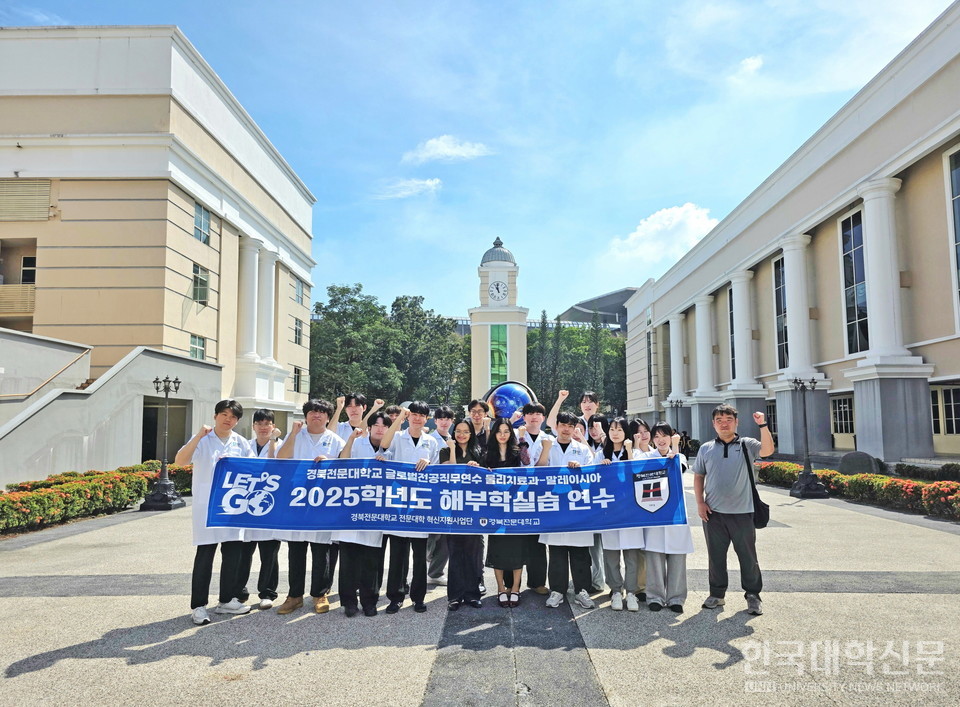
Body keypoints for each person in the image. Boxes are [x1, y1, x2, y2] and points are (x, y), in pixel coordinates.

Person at [175, 399, 254, 626]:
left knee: (233, 555)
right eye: (224, 415)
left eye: (233, 417)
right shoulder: (203, 439)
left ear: (237, 421)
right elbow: (180, 461)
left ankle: (226, 600)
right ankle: (198, 606)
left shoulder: (241, 443)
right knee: (205, 556)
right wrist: (198, 436)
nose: (228, 419)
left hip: (233, 507)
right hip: (208, 508)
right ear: (215, 416)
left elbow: (254, 469)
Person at [694, 404, 774, 616]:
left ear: (736, 422)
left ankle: (753, 595)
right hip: (713, 513)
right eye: (719, 420)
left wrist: (763, 425)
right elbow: (699, 475)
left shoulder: (747, 444)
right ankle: (717, 594)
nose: (724, 424)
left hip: (743, 512)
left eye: (728, 419)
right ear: (713, 424)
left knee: (748, 557)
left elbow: (767, 451)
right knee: (716, 557)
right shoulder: (706, 448)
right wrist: (700, 502)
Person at [274, 399, 345, 615]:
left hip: (322, 501)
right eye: (313, 411)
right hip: (297, 500)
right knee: (296, 549)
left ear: (328, 417)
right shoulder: (296, 435)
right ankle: (294, 595)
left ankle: (319, 593)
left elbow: (345, 467)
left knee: (321, 550)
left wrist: (329, 462)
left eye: (322, 412)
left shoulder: (335, 440)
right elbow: (281, 457)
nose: (317, 415)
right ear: (305, 415)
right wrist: (293, 434)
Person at [379, 402, 440, 614]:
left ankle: (418, 597)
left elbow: (437, 472)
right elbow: (384, 446)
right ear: (408, 416)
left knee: (420, 558)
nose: (417, 418)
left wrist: (428, 463)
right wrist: (399, 418)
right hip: (398, 503)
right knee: (397, 556)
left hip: (420, 505)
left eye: (422, 415)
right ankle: (395, 597)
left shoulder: (431, 442)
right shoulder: (397, 436)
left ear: (426, 419)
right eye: (413, 414)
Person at [538, 411, 596, 610]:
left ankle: (582, 591)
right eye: (563, 425)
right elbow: (537, 472)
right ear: (556, 426)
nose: (566, 429)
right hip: (554, 506)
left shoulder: (582, 450)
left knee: (580, 553)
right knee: (556, 552)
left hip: (577, 508)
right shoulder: (547, 446)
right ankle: (557, 591)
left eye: (571, 426)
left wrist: (580, 469)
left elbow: (593, 476)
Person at [335, 414, 391, 617]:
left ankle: (369, 601)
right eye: (375, 425)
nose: (380, 429)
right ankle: (349, 602)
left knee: (372, 559)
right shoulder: (357, 443)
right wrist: (351, 438)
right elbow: (343, 461)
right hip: (351, 508)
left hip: (376, 510)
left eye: (384, 426)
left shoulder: (391, 450)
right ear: (369, 427)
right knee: (348, 558)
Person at [639, 422, 693, 613]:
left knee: (677, 555)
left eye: (665, 436)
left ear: (672, 437)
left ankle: (676, 598)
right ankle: (655, 596)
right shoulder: (646, 457)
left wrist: (676, 449)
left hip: (675, 513)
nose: (661, 440)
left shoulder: (679, 456)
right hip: (653, 511)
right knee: (654, 555)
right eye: (657, 436)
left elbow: (678, 469)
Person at [235, 408, 283, 610]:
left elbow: (274, 466)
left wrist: (273, 441)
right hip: (245, 507)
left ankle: (267, 592)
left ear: (273, 426)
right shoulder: (243, 445)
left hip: (270, 505)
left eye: (267, 424)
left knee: (269, 553)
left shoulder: (281, 446)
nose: (263, 427)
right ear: (253, 426)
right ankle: (238, 592)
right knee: (242, 553)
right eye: (259, 424)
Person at [595, 417, 643, 612]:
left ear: (626, 433)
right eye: (612, 429)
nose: (615, 433)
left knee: (631, 554)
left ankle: (631, 592)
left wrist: (630, 450)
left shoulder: (636, 452)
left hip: (630, 511)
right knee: (611, 554)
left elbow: (637, 472)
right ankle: (616, 590)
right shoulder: (601, 453)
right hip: (609, 511)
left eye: (620, 430)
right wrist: (601, 467)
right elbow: (592, 477)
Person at [440, 419, 485, 610]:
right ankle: (455, 596)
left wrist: (477, 468)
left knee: (473, 552)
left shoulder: (479, 451)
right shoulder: (445, 451)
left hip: (473, 507)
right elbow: (449, 472)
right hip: (453, 507)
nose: (461, 435)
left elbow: (487, 475)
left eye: (466, 431)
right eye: (458, 431)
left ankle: (472, 594)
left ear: (471, 434)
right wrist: (452, 448)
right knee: (455, 552)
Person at [485, 418, 529, 608]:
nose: (502, 435)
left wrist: (522, 439)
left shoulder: (517, 451)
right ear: (494, 433)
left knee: (517, 549)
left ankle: (516, 588)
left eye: (506, 431)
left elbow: (527, 463)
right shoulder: (488, 453)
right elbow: (480, 479)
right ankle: (501, 589)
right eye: (499, 431)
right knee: (497, 549)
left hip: (516, 507)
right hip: (496, 509)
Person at [516, 402, 553, 595]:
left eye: (538, 413)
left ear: (543, 418)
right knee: (515, 539)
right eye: (530, 413)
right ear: (524, 417)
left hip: (539, 495)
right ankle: (511, 584)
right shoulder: (513, 435)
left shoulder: (550, 439)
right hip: (516, 494)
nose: (534, 417)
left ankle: (537, 581)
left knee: (537, 542)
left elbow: (548, 467)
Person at [427, 405, 457, 586]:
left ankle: (436, 572)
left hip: (449, 493)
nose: (444, 422)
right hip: (430, 492)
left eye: (448, 419)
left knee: (445, 534)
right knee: (432, 533)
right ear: (435, 421)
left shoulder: (454, 439)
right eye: (441, 419)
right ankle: (430, 559)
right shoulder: (429, 439)